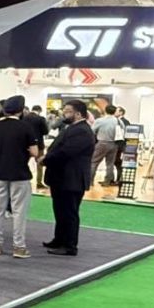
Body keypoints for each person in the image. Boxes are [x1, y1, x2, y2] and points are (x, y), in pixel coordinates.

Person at [0, 95, 39, 258]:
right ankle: (19, 247)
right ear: (21, 110)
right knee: (19, 211)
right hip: (20, 174)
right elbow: (35, 152)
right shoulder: (26, 127)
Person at [43, 100, 96, 256]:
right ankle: (59, 239)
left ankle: (69, 245)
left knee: (69, 213)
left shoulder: (82, 131)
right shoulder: (73, 128)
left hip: (71, 179)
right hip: (62, 178)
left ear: (78, 114)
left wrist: (46, 159)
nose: (64, 114)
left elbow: (66, 152)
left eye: (67, 111)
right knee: (60, 211)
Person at [90, 106, 120, 187]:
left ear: (105, 111)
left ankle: (90, 182)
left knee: (94, 162)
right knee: (110, 164)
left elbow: (92, 131)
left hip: (102, 143)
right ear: (114, 112)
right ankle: (107, 181)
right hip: (114, 144)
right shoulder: (118, 121)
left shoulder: (100, 120)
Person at [25, 105, 50, 190]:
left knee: (24, 162)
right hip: (38, 144)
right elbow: (45, 131)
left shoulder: (24, 118)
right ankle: (39, 182)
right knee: (39, 163)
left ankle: (25, 180)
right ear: (39, 110)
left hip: (26, 144)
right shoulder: (40, 119)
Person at [113, 106, 129, 183]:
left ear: (121, 112)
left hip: (119, 145)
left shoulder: (124, 122)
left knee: (117, 162)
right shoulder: (115, 120)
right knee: (115, 162)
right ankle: (116, 179)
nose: (114, 112)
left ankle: (119, 179)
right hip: (116, 145)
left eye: (116, 111)